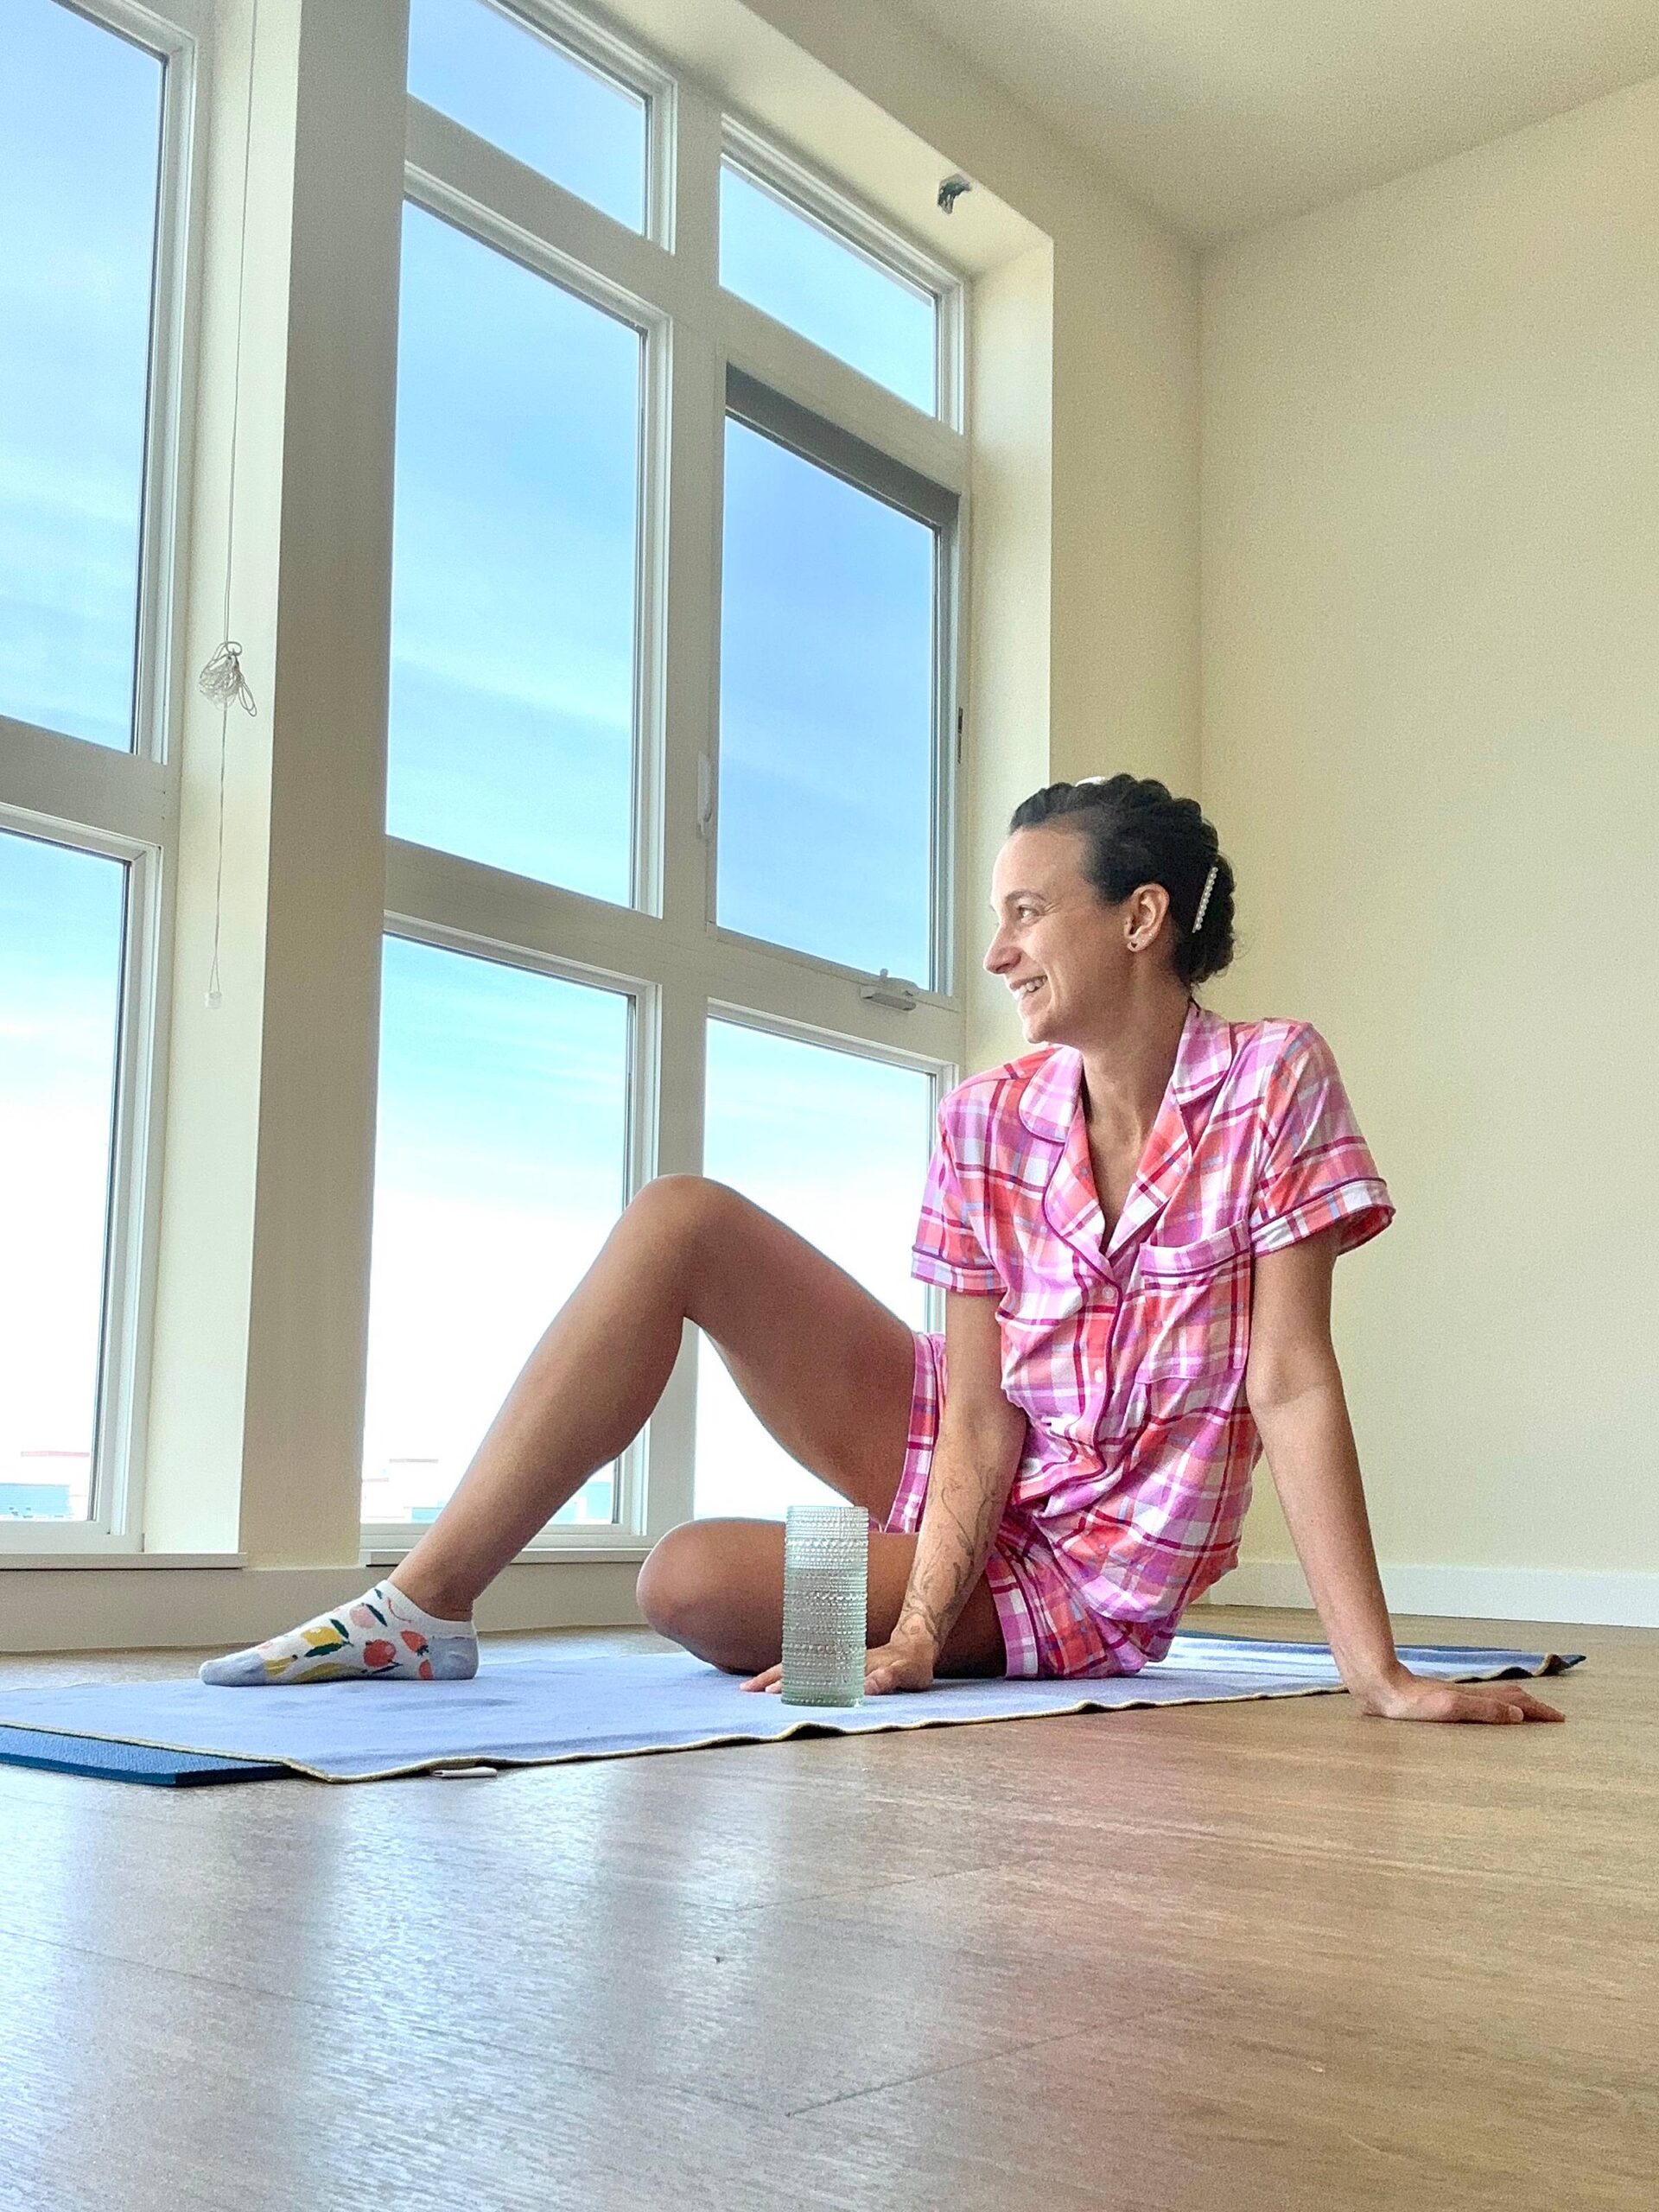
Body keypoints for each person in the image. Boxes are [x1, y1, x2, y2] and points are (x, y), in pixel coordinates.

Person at [201, 774, 1563, 1723]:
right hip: (967, 1460)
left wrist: (1373, 1672)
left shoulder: (1273, 1078)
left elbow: (1291, 1385)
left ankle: (913, 1600)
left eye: (1030, 911)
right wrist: (906, 1630)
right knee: (684, 1215)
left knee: (683, 1580)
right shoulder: (984, 1118)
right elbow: (970, 1411)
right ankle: (420, 1609)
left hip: (1090, 1562)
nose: (998, 949)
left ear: (1142, 918)